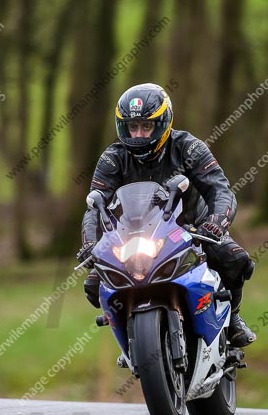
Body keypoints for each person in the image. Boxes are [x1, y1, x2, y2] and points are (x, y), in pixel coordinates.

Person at [77, 82, 256, 347]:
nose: (138, 135)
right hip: (132, 238)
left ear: (163, 123)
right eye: (132, 127)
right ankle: (133, 342)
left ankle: (234, 319)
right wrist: (90, 244)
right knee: (95, 284)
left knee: (235, 259)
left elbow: (220, 190)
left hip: (192, 230)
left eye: (146, 126)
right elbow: (95, 206)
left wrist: (217, 222)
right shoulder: (112, 159)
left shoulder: (189, 148)